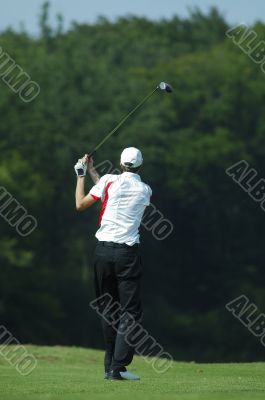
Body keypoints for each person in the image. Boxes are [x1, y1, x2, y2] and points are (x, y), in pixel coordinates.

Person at [74, 147, 152, 380]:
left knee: (108, 310)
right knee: (130, 312)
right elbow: (112, 192)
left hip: (103, 252)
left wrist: (80, 175)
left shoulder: (109, 181)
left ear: (120, 163)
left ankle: (112, 366)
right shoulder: (146, 190)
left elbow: (81, 204)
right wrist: (90, 170)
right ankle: (117, 368)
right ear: (140, 167)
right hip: (127, 255)